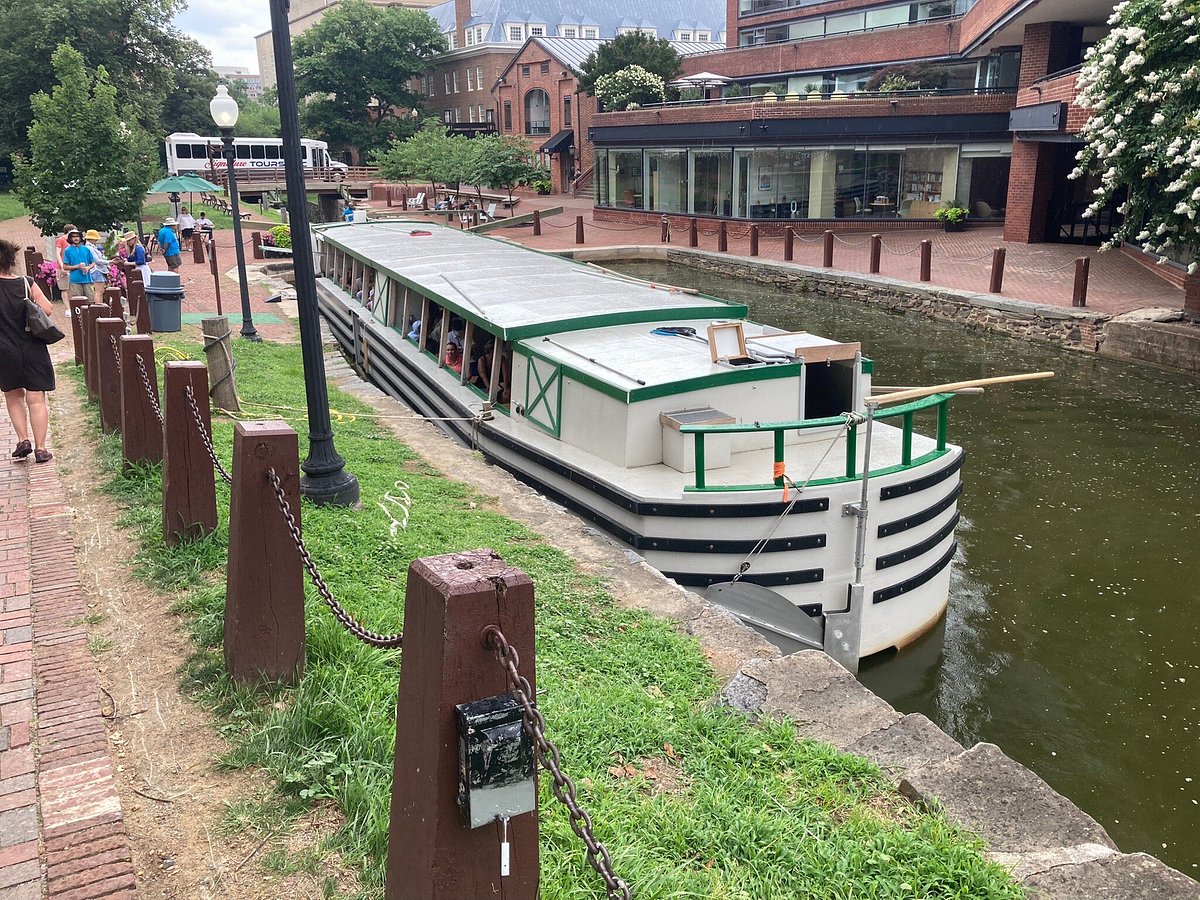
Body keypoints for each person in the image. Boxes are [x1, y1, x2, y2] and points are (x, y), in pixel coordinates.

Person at [0, 239, 55, 463]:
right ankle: (41, 448)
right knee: (36, 398)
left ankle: (23, 440)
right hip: (32, 345)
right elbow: (48, 310)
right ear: (11, 261)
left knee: (13, 396)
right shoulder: (26, 282)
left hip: (4, 349)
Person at [61, 229, 96, 302]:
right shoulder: (68, 250)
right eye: (73, 237)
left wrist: (88, 268)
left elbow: (93, 262)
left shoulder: (86, 249)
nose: (75, 238)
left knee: (91, 300)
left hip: (87, 279)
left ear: (80, 238)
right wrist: (77, 266)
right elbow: (65, 266)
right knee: (77, 301)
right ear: (70, 238)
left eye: (77, 236)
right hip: (75, 280)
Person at [54, 223, 76, 299]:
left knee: (72, 289)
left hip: (72, 267)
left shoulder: (72, 242)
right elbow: (58, 253)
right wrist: (62, 266)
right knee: (65, 289)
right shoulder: (60, 240)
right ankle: (68, 309)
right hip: (63, 267)